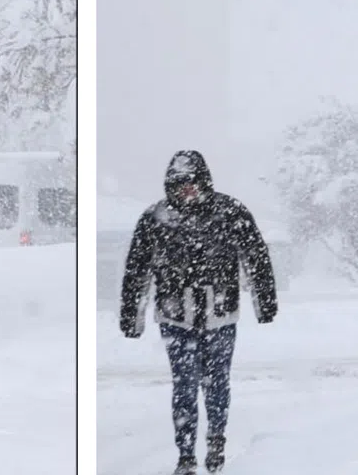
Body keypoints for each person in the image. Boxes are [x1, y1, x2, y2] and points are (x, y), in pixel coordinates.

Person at [119, 150, 278, 475]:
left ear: (204, 182)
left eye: (192, 184)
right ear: (170, 187)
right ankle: (186, 454)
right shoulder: (156, 219)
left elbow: (257, 257)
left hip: (220, 314)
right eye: (180, 186)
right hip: (175, 318)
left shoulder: (229, 212)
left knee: (218, 383)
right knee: (185, 385)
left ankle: (216, 443)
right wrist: (131, 314)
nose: (187, 191)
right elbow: (137, 270)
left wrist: (265, 301)